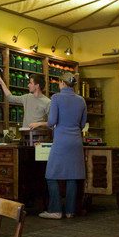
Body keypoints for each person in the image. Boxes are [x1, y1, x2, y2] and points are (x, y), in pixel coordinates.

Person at [39, 72, 87, 220]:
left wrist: (42, 123)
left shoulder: (57, 98)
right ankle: (70, 211)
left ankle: (55, 210)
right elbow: (83, 124)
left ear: (62, 83)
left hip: (61, 142)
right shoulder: (81, 100)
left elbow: (51, 121)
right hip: (76, 142)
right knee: (72, 176)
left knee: (51, 175)